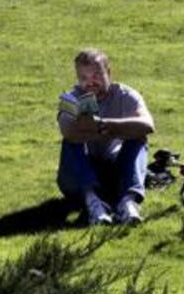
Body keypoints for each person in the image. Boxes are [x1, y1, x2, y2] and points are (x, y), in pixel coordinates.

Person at [56, 48, 155, 225]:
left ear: (108, 72)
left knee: (139, 138)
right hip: (80, 173)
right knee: (71, 141)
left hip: (115, 169)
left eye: (96, 76)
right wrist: (117, 128)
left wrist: (104, 125)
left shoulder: (127, 95)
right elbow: (67, 130)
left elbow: (147, 125)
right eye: (84, 78)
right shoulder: (72, 98)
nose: (90, 83)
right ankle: (93, 203)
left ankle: (128, 202)